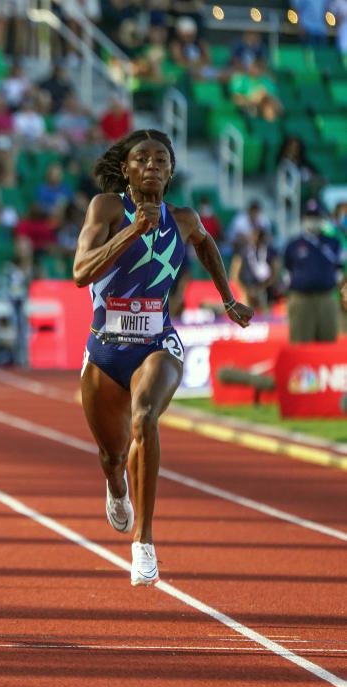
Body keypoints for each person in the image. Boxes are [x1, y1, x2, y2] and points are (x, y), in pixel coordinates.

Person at [72, 130, 253, 586]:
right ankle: (117, 487)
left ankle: (144, 541)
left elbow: (206, 245)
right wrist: (134, 229)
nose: (152, 164)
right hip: (104, 348)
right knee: (112, 456)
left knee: (145, 419)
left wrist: (228, 300)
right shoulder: (107, 208)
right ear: (127, 170)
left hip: (158, 343)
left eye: (161, 159)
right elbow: (80, 272)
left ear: (171, 171)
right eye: (142, 158)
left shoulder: (185, 218)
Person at [283, 199, 345, 343]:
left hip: (326, 298)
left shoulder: (334, 243)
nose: (313, 221)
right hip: (301, 298)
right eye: (310, 217)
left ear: (322, 219)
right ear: (303, 219)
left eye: (316, 217)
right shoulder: (293, 245)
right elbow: (287, 271)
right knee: (300, 342)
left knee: (328, 342)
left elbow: (340, 269)